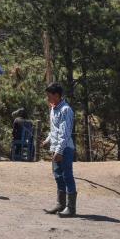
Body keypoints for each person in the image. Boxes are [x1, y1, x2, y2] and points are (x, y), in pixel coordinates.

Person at [42, 82, 77, 218]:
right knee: (58, 176)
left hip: (65, 149)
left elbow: (65, 133)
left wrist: (59, 151)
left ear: (57, 95)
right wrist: (47, 139)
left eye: (49, 95)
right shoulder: (53, 109)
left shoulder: (66, 110)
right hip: (56, 148)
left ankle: (71, 207)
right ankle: (60, 204)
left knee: (67, 176)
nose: (48, 98)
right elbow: (55, 130)